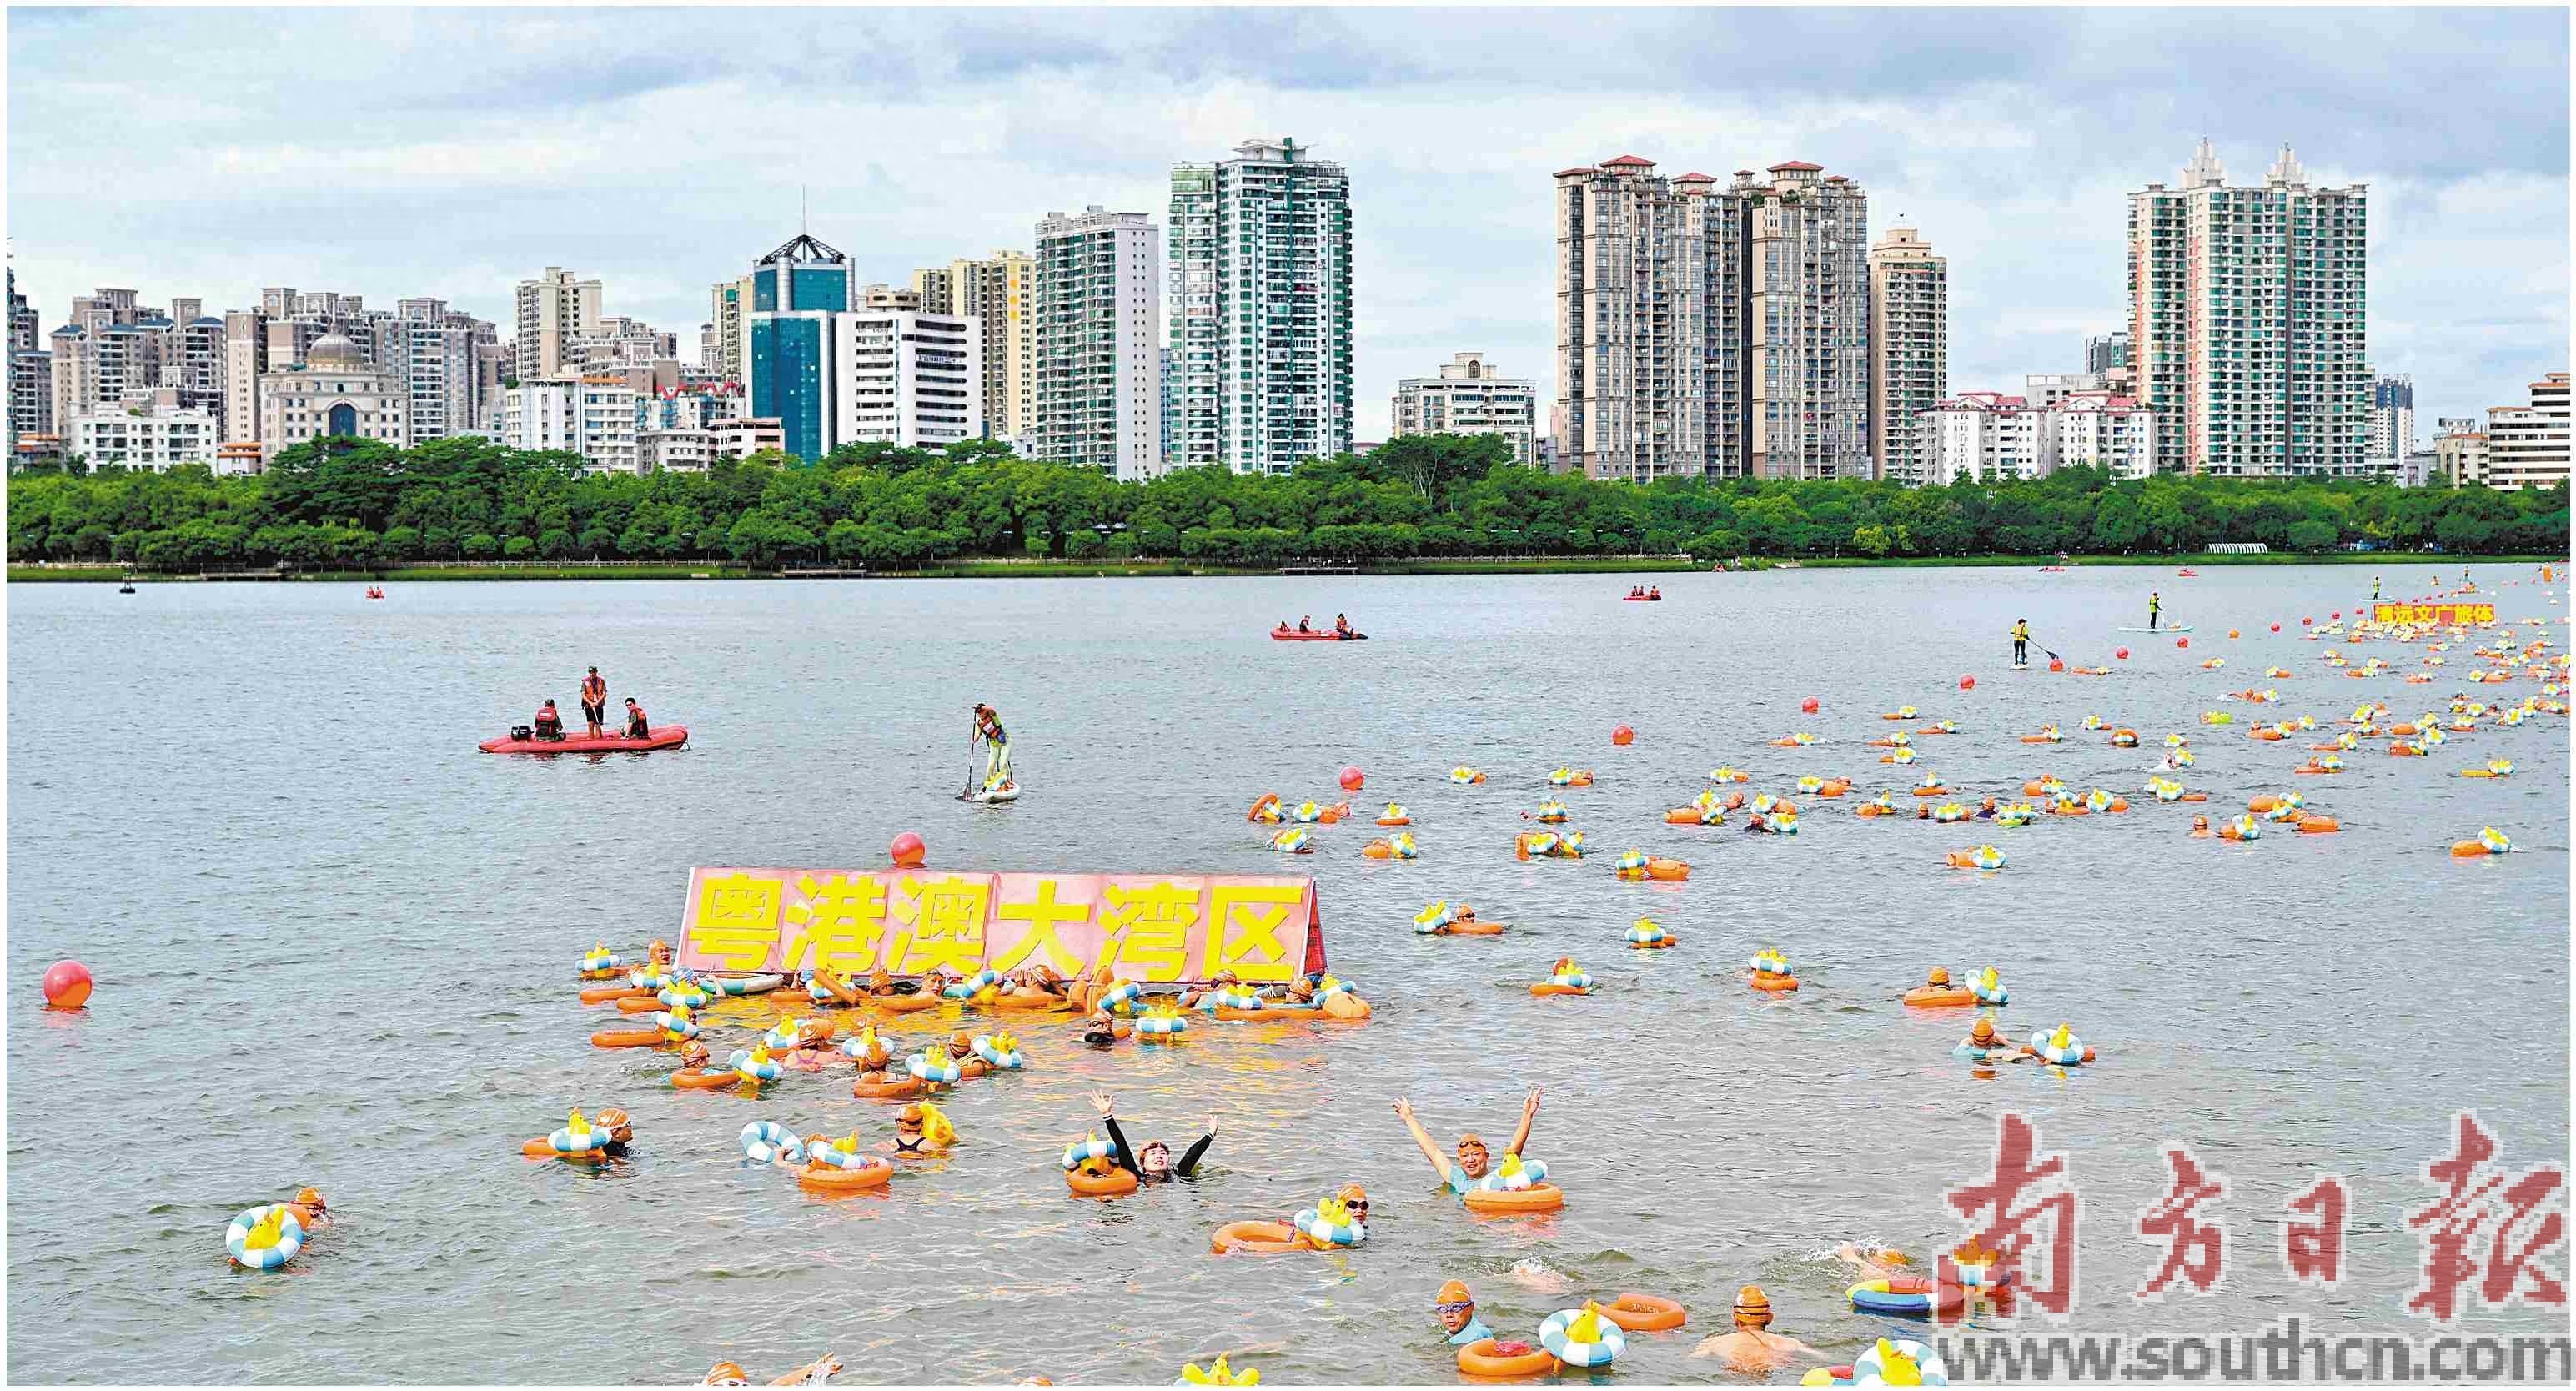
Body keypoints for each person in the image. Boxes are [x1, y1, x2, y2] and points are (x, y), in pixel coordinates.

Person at [1392, 1090, 1542, 1199]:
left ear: (1486, 1156)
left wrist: (1527, 1115)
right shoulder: (1457, 1178)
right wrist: (1408, 1117)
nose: (1470, 1160)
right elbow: (1433, 1152)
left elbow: (1514, 1151)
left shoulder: (1500, 1175)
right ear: (1459, 1160)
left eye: (1476, 1154)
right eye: (1465, 1156)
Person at [1090, 1092, 1215, 1181]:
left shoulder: (1177, 1174)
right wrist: (1107, 1115)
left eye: (1162, 1153)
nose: (1159, 1156)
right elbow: (1122, 1145)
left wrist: (1211, 1133)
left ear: (1168, 1160)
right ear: (1143, 1163)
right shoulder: (1136, 1176)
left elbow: (1192, 1154)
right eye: (1153, 1154)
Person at [1690, 1285, 1820, 1370]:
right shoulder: (1791, 1343)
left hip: (1736, 1372)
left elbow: (1692, 1362)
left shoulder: (1714, 1343)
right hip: (1776, 1371)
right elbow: (1824, 1359)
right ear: (1770, 1318)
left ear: (1736, 1319)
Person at [1434, 1280, 1494, 1348]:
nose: (1449, 1315)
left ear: (1470, 1308)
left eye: (1456, 1307)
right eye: (1443, 1309)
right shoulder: (1470, 1326)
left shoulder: (1475, 1338)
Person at [972, 703, 1011, 790]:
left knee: (1002, 763)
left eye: (982, 711)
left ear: (985, 711)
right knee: (991, 765)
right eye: (979, 712)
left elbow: (992, 709)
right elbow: (977, 735)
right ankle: (988, 785)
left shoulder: (993, 716)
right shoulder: (979, 724)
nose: (980, 714)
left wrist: (982, 707)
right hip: (994, 745)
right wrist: (973, 740)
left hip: (1005, 743)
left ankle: (1006, 784)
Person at [580, 666, 608, 737]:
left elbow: (604, 693)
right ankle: (591, 736)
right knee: (590, 722)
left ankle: (599, 737)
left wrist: (597, 702)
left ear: (596, 672)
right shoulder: (585, 682)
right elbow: (583, 695)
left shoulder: (601, 681)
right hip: (589, 704)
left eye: (593, 672)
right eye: (590, 672)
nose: (592, 674)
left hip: (598, 703)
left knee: (598, 722)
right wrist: (591, 703)